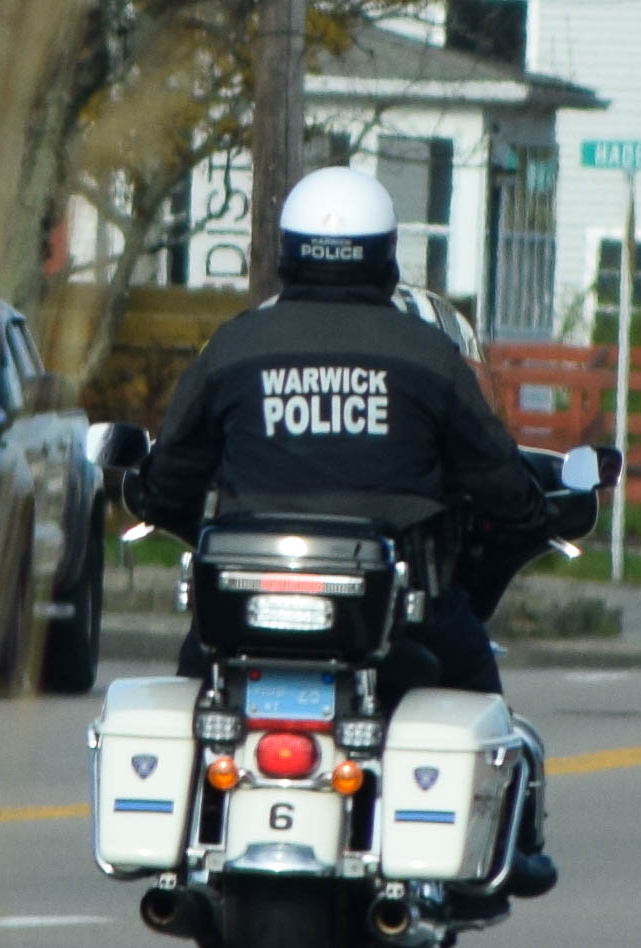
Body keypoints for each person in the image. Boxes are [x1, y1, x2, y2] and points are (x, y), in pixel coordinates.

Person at [128, 165, 557, 898]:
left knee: (192, 689)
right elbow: (493, 472)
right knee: (477, 685)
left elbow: (169, 478)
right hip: (392, 608)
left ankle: (186, 830)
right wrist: (533, 507)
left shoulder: (234, 347)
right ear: (385, 254)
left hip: (243, 607)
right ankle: (509, 841)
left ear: (288, 252)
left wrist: (149, 495)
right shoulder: (426, 356)